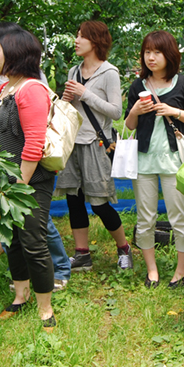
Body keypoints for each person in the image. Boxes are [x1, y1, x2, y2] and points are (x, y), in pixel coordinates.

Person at [0, 28, 56, 330]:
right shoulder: (4, 89)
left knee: (33, 241)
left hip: (29, 182)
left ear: (13, 50)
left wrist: (19, 185)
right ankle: (20, 295)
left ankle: (45, 307)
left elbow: (34, 143)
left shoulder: (31, 89)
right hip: (5, 182)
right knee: (13, 240)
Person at [57, 21, 133, 272]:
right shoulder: (74, 71)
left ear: (96, 41)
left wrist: (85, 94)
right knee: (74, 199)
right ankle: (82, 254)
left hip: (96, 143)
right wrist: (66, 99)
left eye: (82, 36)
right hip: (72, 143)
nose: (76, 40)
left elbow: (116, 111)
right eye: (77, 35)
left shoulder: (109, 72)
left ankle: (124, 248)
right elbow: (69, 109)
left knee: (99, 203)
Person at [124, 31, 184, 288]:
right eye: (147, 52)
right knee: (145, 218)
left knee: (179, 217)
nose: (151, 57)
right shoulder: (138, 86)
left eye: (157, 52)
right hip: (144, 161)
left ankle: (181, 271)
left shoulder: (183, 84)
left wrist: (173, 111)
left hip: (174, 161)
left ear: (169, 54)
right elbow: (129, 125)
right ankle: (152, 270)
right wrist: (135, 110)